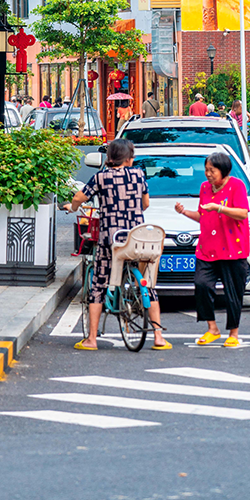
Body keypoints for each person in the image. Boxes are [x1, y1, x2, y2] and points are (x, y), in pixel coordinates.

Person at [64, 137, 171, 351]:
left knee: (99, 285)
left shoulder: (101, 177)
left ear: (111, 157)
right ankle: (158, 337)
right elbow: (146, 203)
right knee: (148, 285)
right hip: (138, 239)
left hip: (111, 240)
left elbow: (79, 196)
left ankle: (92, 339)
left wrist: (73, 207)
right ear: (128, 158)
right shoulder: (139, 175)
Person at [175, 150, 250, 349]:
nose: (208, 174)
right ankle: (212, 328)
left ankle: (233, 333)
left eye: (212, 170)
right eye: (206, 170)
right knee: (202, 285)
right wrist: (184, 212)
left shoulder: (237, 186)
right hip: (208, 247)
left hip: (233, 248)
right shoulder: (205, 188)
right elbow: (203, 215)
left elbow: (242, 213)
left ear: (224, 171)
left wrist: (219, 208)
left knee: (233, 292)